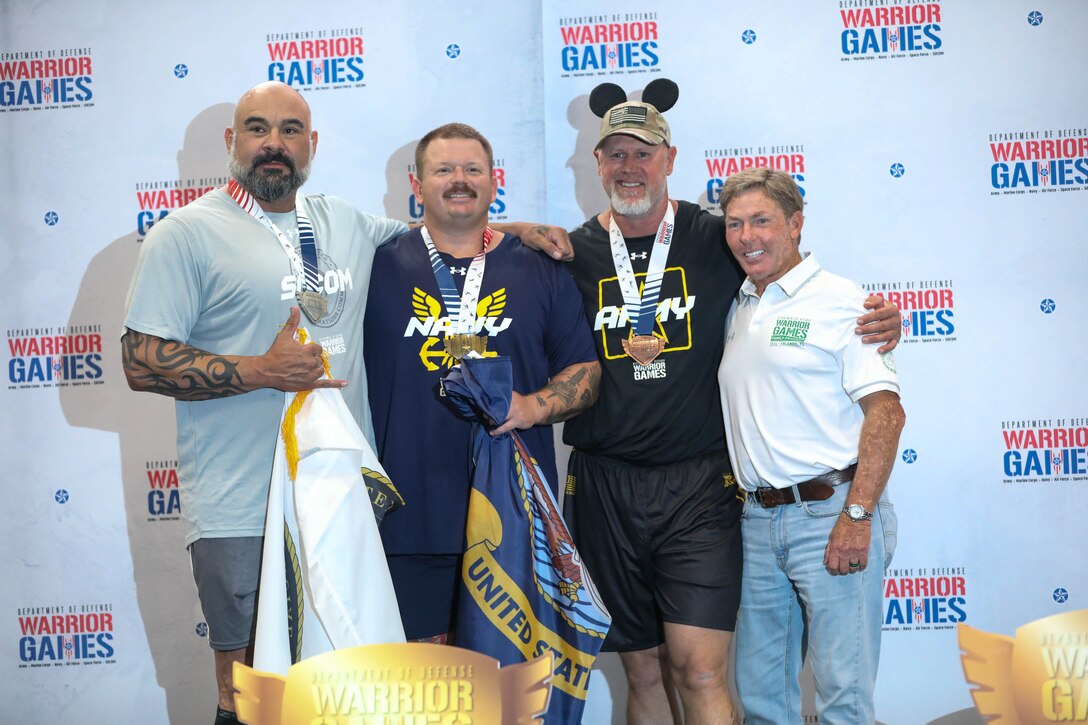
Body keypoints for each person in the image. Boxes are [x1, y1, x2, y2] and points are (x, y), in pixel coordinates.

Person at [121, 84, 570, 725]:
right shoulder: (187, 233)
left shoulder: (344, 223)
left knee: (344, 690)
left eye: (290, 130)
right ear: (232, 142)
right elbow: (139, 360)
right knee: (250, 690)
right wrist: (258, 371)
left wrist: (516, 230)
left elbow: (445, 233)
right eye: (257, 128)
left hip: (348, 500)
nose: (274, 143)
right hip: (243, 504)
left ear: (311, 144)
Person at [560, 83, 903, 725]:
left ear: (670, 159)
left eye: (644, 153)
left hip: (708, 488)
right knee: (651, 673)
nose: (629, 167)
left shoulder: (717, 239)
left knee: (711, 671)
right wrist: (518, 229)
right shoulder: (568, 251)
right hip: (616, 489)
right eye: (615, 154)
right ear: (598, 163)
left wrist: (879, 316)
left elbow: (805, 289)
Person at [364, 123, 600, 643]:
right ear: (417, 183)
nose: (459, 180)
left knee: (507, 686)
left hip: (515, 519)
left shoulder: (541, 266)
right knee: (426, 689)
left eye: (473, 169)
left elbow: (585, 370)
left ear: (494, 182)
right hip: (409, 517)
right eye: (443, 169)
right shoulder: (375, 266)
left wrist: (533, 407)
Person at [717, 168, 904, 723]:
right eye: (734, 224)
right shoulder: (741, 303)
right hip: (756, 520)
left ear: (796, 225)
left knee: (843, 696)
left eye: (762, 221)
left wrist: (857, 513)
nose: (747, 236)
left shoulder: (844, 301)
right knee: (761, 698)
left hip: (831, 513)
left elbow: (887, 413)